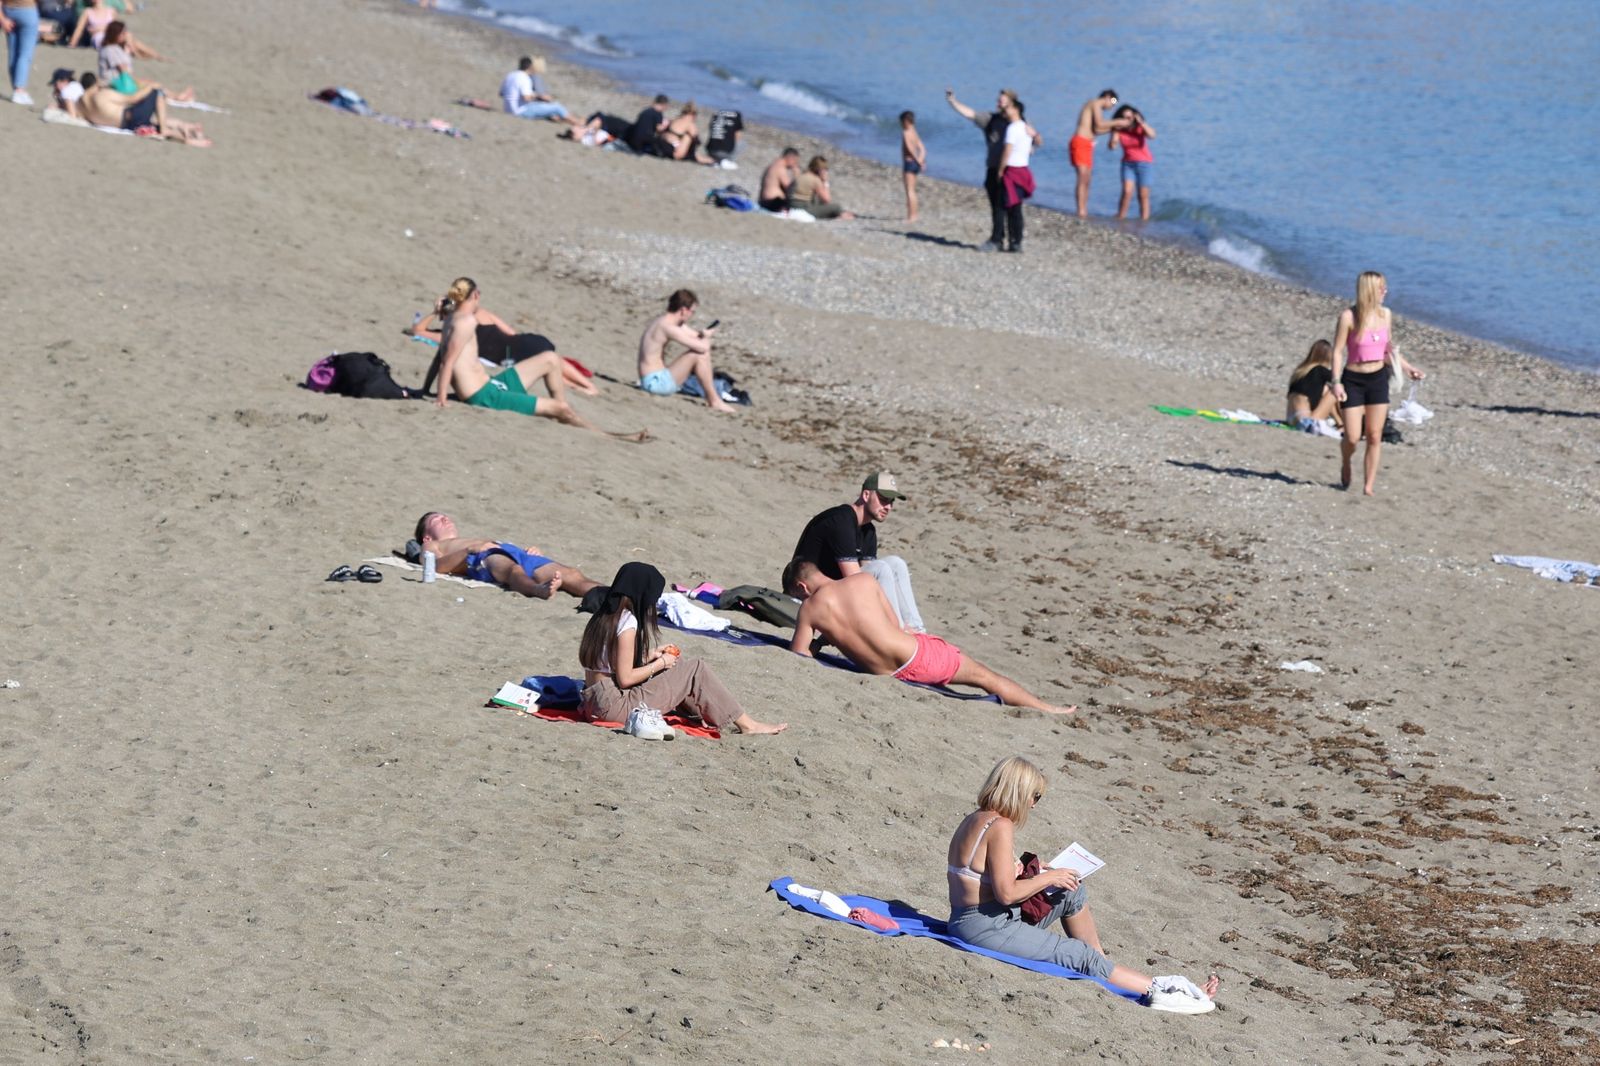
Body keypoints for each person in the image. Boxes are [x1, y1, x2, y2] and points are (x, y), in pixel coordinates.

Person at [946, 756, 1220, 1013]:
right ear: (1019, 792)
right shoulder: (1001, 825)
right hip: (986, 926)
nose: (1034, 805)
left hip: (980, 918)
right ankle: (1158, 990)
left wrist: (1040, 873)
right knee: (1077, 954)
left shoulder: (977, 818)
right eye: (1035, 796)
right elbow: (1006, 894)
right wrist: (1048, 877)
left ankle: (1103, 967)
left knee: (1070, 892)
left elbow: (982, 877)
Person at [782, 561, 1075, 713]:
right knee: (986, 678)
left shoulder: (810, 609)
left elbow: (799, 655)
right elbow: (894, 625)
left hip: (891, 674)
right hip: (917, 657)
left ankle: (1046, 709)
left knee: (984, 679)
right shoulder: (863, 580)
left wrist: (822, 641)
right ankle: (1046, 708)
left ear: (802, 587)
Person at [578, 562, 788, 738]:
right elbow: (625, 679)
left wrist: (651, 655)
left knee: (679, 669)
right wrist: (661, 663)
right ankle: (748, 725)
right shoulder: (627, 622)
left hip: (594, 702)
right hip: (614, 708)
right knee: (696, 668)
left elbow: (609, 663)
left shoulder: (605, 616)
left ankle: (704, 715)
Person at [432, 277, 646, 440]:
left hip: (492, 385)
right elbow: (446, 362)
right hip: (485, 396)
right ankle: (608, 436)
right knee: (561, 409)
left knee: (551, 359)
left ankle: (561, 409)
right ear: (475, 296)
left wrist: (426, 388)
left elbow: (440, 355)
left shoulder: (452, 318)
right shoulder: (466, 322)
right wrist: (441, 399)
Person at [789, 472, 924, 633]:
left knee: (896, 564)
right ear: (866, 495)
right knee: (881, 568)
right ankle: (897, 631)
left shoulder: (868, 531)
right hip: (805, 596)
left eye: (891, 501)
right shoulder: (841, 521)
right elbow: (858, 581)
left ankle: (917, 631)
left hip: (834, 590)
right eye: (883, 499)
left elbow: (871, 583)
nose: (888, 507)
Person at [1330, 271, 1425, 495]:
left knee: (1374, 435)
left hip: (1378, 379)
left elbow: (1388, 349)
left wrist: (1408, 368)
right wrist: (1336, 382)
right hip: (1353, 380)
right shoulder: (1348, 317)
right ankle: (1346, 462)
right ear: (1369, 290)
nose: (1385, 291)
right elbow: (1337, 351)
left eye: (1385, 287)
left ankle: (1368, 485)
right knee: (1353, 437)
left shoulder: (1386, 314)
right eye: (1381, 287)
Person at [406, 302, 598, 396]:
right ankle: (588, 386)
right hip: (523, 342)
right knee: (553, 360)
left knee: (546, 367)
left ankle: (582, 387)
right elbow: (510, 332)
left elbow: (417, 330)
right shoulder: (482, 313)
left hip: (508, 356)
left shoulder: (453, 334)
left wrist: (434, 312)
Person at [413, 512, 599, 600]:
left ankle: (609, 594)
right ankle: (537, 589)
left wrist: (529, 551)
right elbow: (434, 565)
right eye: (436, 520)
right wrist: (470, 550)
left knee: (571, 574)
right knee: (513, 570)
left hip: (513, 551)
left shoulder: (465, 539)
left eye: (445, 516)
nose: (445, 519)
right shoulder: (431, 545)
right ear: (427, 536)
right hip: (482, 555)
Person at [944, 87, 1039, 252]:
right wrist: (953, 101)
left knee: (1014, 208)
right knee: (997, 206)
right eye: (999, 101)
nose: (998, 104)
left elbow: (1035, 141)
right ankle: (997, 240)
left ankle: (1015, 242)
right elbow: (970, 114)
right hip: (994, 168)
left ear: (1012, 104)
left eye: (1002, 101)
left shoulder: (1021, 122)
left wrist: (1032, 144)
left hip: (1012, 170)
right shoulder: (990, 119)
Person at [635, 289, 736, 412]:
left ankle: (714, 399)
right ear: (683, 310)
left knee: (700, 353)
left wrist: (703, 334)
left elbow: (694, 336)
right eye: (692, 312)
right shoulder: (668, 327)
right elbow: (702, 347)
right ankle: (714, 401)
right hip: (655, 384)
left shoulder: (665, 321)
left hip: (653, 380)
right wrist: (707, 337)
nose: (691, 315)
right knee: (699, 354)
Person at [77, 73, 209, 144]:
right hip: (132, 118)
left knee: (155, 123)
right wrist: (151, 87)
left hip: (126, 125)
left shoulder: (81, 104)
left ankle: (187, 136)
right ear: (95, 83)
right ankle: (165, 129)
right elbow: (132, 99)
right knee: (157, 92)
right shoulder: (102, 95)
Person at [1069, 89, 1122, 218]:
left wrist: (1113, 128)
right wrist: (1117, 122)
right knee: (1082, 177)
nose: (1112, 106)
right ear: (1108, 97)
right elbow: (1100, 123)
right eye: (1113, 102)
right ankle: (1081, 210)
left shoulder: (1096, 109)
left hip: (1088, 144)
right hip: (1080, 141)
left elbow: (1097, 129)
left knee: (1087, 178)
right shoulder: (1095, 103)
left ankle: (1084, 208)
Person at [998, 96, 1035, 253]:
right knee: (1016, 206)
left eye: (1009, 107)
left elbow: (1008, 150)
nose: (1006, 110)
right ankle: (1016, 240)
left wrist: (1001, 169)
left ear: (1017, 110)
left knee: (1010, 206)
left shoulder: (1013, 128)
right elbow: (1036, 144)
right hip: (1023, 169)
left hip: (1013, 170)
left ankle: (1014, 240)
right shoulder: (1026, 127)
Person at [1109, 105, 1156, 221]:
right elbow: (1112, 146)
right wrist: (1113, 139)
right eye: (1124, 118)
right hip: (1127, 164)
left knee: (1143, 195)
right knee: (1127, 192)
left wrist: (1142, 123)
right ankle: (1121, 216)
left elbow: (1152, 135)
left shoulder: (1139, 128)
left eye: (1129, 118)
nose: (1127, 120)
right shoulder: (1119, 130)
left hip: (1145, 164)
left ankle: (1144, 220)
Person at [1286, 339, 1343, 433]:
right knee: (1336, 390)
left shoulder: (1300, 371)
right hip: (1306, 422)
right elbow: (1341, 383)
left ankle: (1340, 423)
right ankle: (1343, 424)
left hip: (1290, 419)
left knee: (1326, 389)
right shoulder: (1320, 370)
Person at [499, 55, 569, 122]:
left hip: (507, 109)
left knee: (545, 106)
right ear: (530, 66)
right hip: (519, 111)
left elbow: (501, 94)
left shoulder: (510, 75)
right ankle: (574, 122)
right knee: (556, 107)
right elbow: (527, 98)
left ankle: (555, 116)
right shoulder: (525, 78)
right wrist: (538, 96)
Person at [788, 155, 854, 220]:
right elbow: (827, 200)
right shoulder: (815, 180)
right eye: (825, 169)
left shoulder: (802, 175)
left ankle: (842, 213)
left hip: (792, 205)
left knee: (820, 203)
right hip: (804, 208)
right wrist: (825, 182)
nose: (826, 172)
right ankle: (843, 215)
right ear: (820, 170)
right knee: (836, 207)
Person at [1, 0, 38, 105]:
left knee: (13, 54)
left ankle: (16, 89)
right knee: (25, 54)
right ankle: (19, 90)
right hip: (27, 9)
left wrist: (2, 19)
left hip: (8, 10)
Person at [899, 110, 926, 223]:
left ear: (905, 121)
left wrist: (918, 161)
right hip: (916, 163)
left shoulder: (906, 132)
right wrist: (921, 160)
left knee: (909, 191)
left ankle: (911, 216)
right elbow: (922, 149)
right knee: (913, 191)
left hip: (910, 163)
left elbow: (910, 149)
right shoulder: (914, 131)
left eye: (901, 122)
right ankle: (914, 214)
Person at [758, 147, 800, 212]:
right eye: (795, 162)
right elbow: (790, 188)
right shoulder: (780, 168)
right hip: (772, 202)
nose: (795, 164)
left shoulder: (773, 165)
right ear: (790, 158)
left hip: (765, 201)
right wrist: (797, 176)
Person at [559, 110, 631, 146]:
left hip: (605, 130)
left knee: (582, 121)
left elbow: (597, 121)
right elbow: (598, 122)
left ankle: (563, 118)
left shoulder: (585, 131)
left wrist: (589, 130)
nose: (575, 127)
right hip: (609, 135)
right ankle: (563, 118)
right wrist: (593, 134)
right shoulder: (584, 139)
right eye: (575, 128)